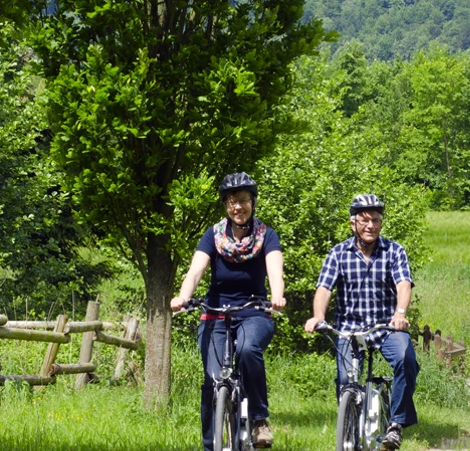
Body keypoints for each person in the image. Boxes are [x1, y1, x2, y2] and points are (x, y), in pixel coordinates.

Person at [171, 172, 286, 450]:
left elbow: (275, 272)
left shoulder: (266, 236)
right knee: (212, 381)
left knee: (247, 351)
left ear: (252, 202)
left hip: (254, 313)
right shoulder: (213, 235)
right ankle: (211, 444)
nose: (238, 207)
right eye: (232, 201)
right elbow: (195, 271)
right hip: (215, 314)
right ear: (225, 205)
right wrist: (183, 297)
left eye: (244, 200)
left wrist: (278, 296)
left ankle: (259, 420)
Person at [304, 193, 418, 450]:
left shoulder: (394, 251)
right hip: (348, 329)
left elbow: (403, 283)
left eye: (376, 220)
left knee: (406, 359)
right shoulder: (338, 253)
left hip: (385, 326)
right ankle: (348, 428)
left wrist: (400, 312)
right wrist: (318, 316)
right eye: (365, 220)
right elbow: (324, 288)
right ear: (353, 224)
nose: (371, 225)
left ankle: (396, 425)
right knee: (346, 382)